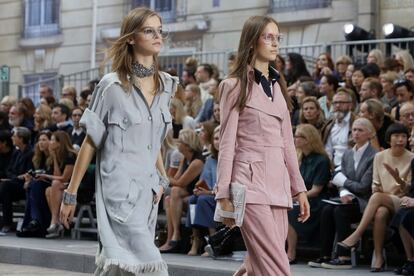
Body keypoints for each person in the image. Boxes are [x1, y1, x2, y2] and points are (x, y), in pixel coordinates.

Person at [60, 7, 176, 275]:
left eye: (160, 30)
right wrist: (71, 193)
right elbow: (91, 142)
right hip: (119, 188)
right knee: (151, 265)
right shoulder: (111, 86)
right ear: (132, 38)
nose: (158, 35)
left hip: (148, 191)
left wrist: (161, 179)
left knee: (120, 269)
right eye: (149, 30)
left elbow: (153, 140)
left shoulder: (167, 85)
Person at [216, 15, 309, 276]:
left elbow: (288, 144)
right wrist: (223, 193)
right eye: (268, 37)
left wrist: (298, 188)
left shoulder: (279, 86)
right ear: (251, 40)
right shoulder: (233, 86)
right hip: (249, 183)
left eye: (277, 37)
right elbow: (226, 142)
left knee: (260, 265)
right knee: (278, 268)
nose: (275, 43)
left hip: (278, 185)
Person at [339, 123, 414, 272]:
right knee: (380, 212)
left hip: (403, 200)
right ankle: (378, 256)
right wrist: (381, 193)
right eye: (396, 136)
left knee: (378, 198)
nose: (400, 139)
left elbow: (409, 190)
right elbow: (375, 185)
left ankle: (356, 235)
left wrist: (398, 179)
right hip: (382, 200)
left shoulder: (412, 157)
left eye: (404, 136)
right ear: (389, 139)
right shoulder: (379, 156)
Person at [309, 118, 377, 269]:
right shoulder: (347, 154)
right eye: (354, 129)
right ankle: (325, 254)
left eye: (360, 130)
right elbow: (341, 182)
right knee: (326, 210)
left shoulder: (374, 155)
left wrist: (343, 183)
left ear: (370, 134)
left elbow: (364, 187)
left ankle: (344, 256)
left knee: (340, 212)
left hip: (365, 202)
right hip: (347, 199)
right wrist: (344, 192)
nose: (356, 133)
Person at [287, 124, 331, 264]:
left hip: (316, 201)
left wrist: (294, 198)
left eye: (299, 136)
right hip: (301, 198)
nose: (295, 139)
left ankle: (291, 253)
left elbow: (316, 190)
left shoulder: (321, 160)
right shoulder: (301, 158)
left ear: (308, 139)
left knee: (290, 210)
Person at [160, 128, 204, 253]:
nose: (177, 144)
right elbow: (176, 178)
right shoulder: (185, 158)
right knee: (169, 198)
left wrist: (162, 176)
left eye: (180, 142)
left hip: (197, 192)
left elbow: (180, 182)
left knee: (174, 191)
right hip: (187, 192)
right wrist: (167, 178)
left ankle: (176, 234)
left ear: (188, 145)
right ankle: (170, 239)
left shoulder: (197, 161)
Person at [186, 125, 220, 256]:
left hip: (225, 196)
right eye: (215, 139)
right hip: (210, 194)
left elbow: (228, 186)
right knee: (193, 199)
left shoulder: (230, 158)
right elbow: (203, 181)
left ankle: (213, 242)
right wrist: (198, 189)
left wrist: (208, 192)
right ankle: (196, 238)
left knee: (204, 199)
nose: (217, 141)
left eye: (220, 138)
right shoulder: (211, 159)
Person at [18, 130, 52, 237]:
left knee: (33, 186)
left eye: (44, 140)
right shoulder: (38, 156)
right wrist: (28, 179)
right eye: (39, 140)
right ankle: (35, 223)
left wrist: (42, 176)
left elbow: (56, 176)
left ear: (51, 141)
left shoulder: (54, 156)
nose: (40, 143)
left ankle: (33, 222)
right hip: (39, 186)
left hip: (51, 185)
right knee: (31, 186)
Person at [42, 131, 77, 238]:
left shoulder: (71, 155)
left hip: (75, 187)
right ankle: (57, 223)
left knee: (56, 183)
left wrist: (46, 176)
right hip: (63, 186)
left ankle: (54, 222)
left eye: (52, 140)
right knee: (49, 190)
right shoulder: (57, 155)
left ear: (59, 142)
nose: (50, 142)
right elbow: (57, 174)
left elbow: (64, 178)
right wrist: (54, 158)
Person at [0, 127, 33, 233]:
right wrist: (13, 178)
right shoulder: (16, 152)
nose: (12, 138)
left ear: (21, 138)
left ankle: (7, 223)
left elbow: (28, 173)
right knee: (5, 187)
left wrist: (12, 178)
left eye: (14, 136)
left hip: (23, 186)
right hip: (13, 183)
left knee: (5, 187)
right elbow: (9, 169)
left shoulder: (30, 153)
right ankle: (5, 223)